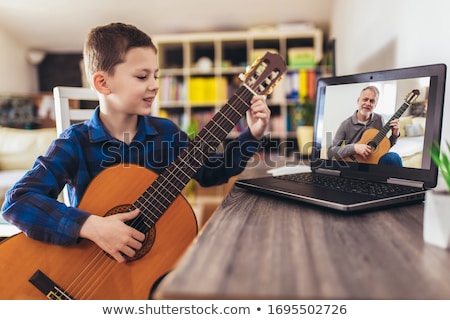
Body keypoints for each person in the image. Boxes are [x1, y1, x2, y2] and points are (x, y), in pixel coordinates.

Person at [1, 22, 271, 263]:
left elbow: (212, 172)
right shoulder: (75, 142)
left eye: (156, 75)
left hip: (150, 261)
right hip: (88, 265)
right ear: (103, 83)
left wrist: (252, 135)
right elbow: (18, 202)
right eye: (142, 77)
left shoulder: (166, 133)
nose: (154, 85)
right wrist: (92, 227)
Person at [327, 85, 403, 166]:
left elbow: (383, 147)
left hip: (373, 163)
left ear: (375, 105)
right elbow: (331, 152)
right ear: (358, 101)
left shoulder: (379, 119)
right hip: (354, 165)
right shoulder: (346, 124)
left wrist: (395, 135)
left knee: (394, 157)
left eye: (372, 101)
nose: (368, 103)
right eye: (365, 99)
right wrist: (354, 148)